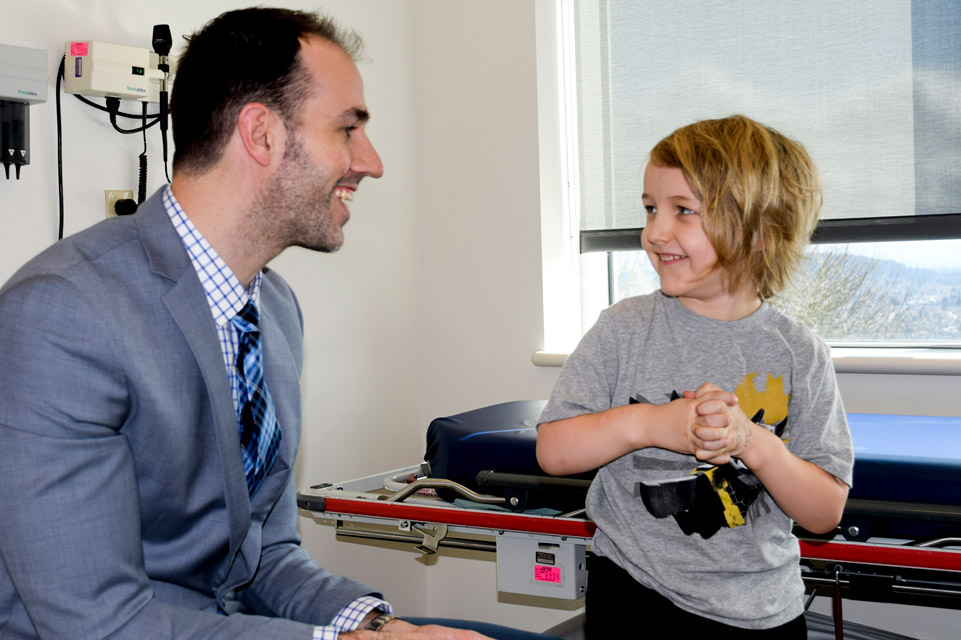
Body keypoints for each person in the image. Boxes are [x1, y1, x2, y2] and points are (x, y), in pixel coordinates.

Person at [0, 8, 558, 640]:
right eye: (349, 129)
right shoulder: (60, 317)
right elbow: (94, 622)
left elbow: (261, 555)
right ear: (261, 134)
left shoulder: (274, 309)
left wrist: (379, 627)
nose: (370, 162)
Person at [535, 115, 854, 638]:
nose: (655, 231)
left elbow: (823, 513)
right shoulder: (623, 329)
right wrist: (653, 424)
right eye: (650, 209)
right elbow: (554, 450)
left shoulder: (799, 353)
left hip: (764, 613)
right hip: (636, 596)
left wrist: (750, 439)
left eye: (684, 211)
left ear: (760, 232)